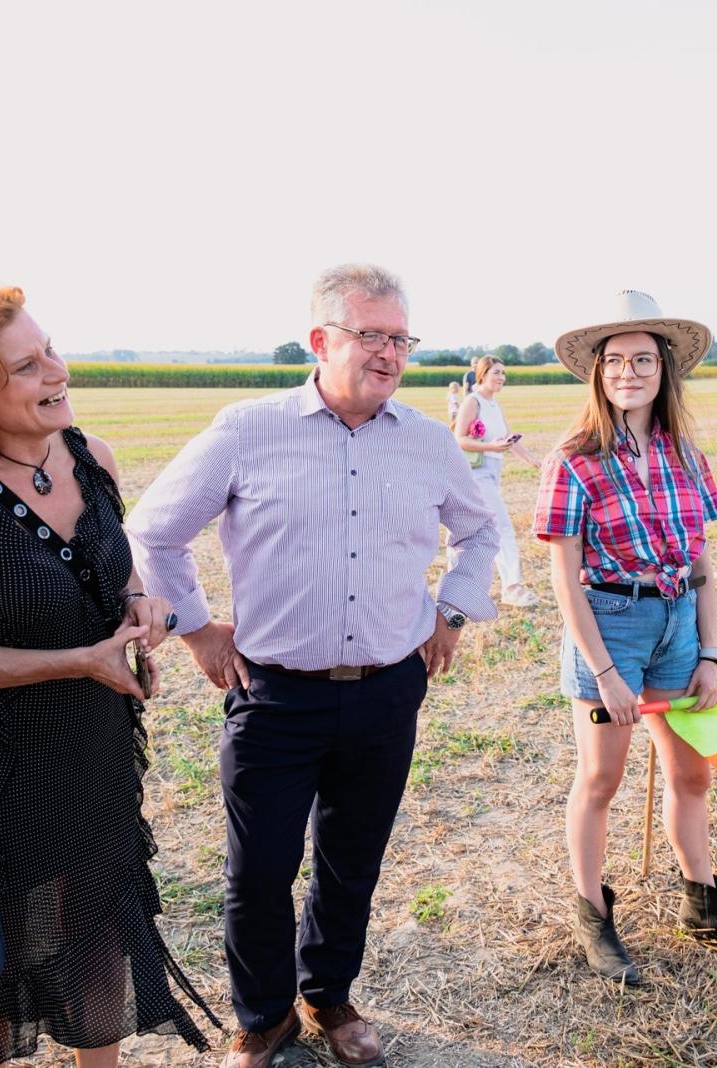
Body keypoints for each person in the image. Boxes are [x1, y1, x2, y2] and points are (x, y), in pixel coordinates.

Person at [126, 264, 499, 1068]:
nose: (390, 352)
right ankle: (263, 1018)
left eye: (401, 337)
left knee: (350, 861)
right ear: (320, 340)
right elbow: (151, 533)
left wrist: (453, 612)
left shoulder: (430, 442)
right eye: (372, 334)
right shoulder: (246, 430)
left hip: (387, 691)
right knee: (258, 871)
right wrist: (195, 630)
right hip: (274, 696)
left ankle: (328, 996)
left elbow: (481, 533)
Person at [0, 286, 219, 1067]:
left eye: (50, 349)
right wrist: (79, 661)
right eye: (26, 366)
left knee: (96, 929)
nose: (56, 370)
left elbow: (118, 574)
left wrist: (139, 606)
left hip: (95, 746)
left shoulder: (91, 455)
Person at [533, 290, 717, 988]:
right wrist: (605, 672)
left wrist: (707, 651)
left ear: (665, 370)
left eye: (643, 359)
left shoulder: (685, 455)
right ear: (598, 373)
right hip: (609, 624)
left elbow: (701, 563)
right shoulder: (574, 457)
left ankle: (703, 905)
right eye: (616, 360)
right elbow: (565, 582)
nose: (629, 372)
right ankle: (592, 914)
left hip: (677, 625)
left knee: (690, 773)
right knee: (601, 778)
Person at [452, 355, 541, 607]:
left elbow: (508, 438)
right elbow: (459, 438)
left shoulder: (495, 405)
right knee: (502, 528)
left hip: (494, 471)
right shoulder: (473, 401)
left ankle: (460, 585)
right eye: (496, 373)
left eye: (504, 373)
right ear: (482, 374)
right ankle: (512, 587)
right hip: (477, 473)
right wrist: (491, 445)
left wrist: (534, 461)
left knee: (478, 530)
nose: (501, 377)